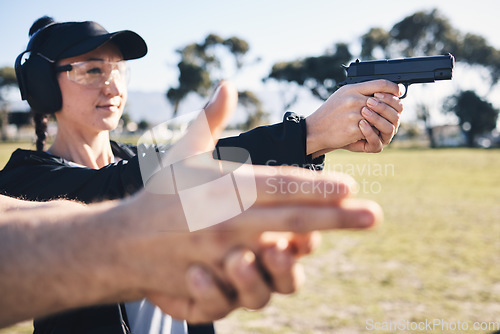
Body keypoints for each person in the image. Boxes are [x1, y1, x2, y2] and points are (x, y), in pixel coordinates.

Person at [1, 16, 402, 334]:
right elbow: (124, 188)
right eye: (90, 70)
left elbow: (209, 187)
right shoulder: (23, 183)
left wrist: (316, 144)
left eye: (117, 69)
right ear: (43, 89)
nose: (111, 84)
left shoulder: (133, 161)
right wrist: (308, 132)